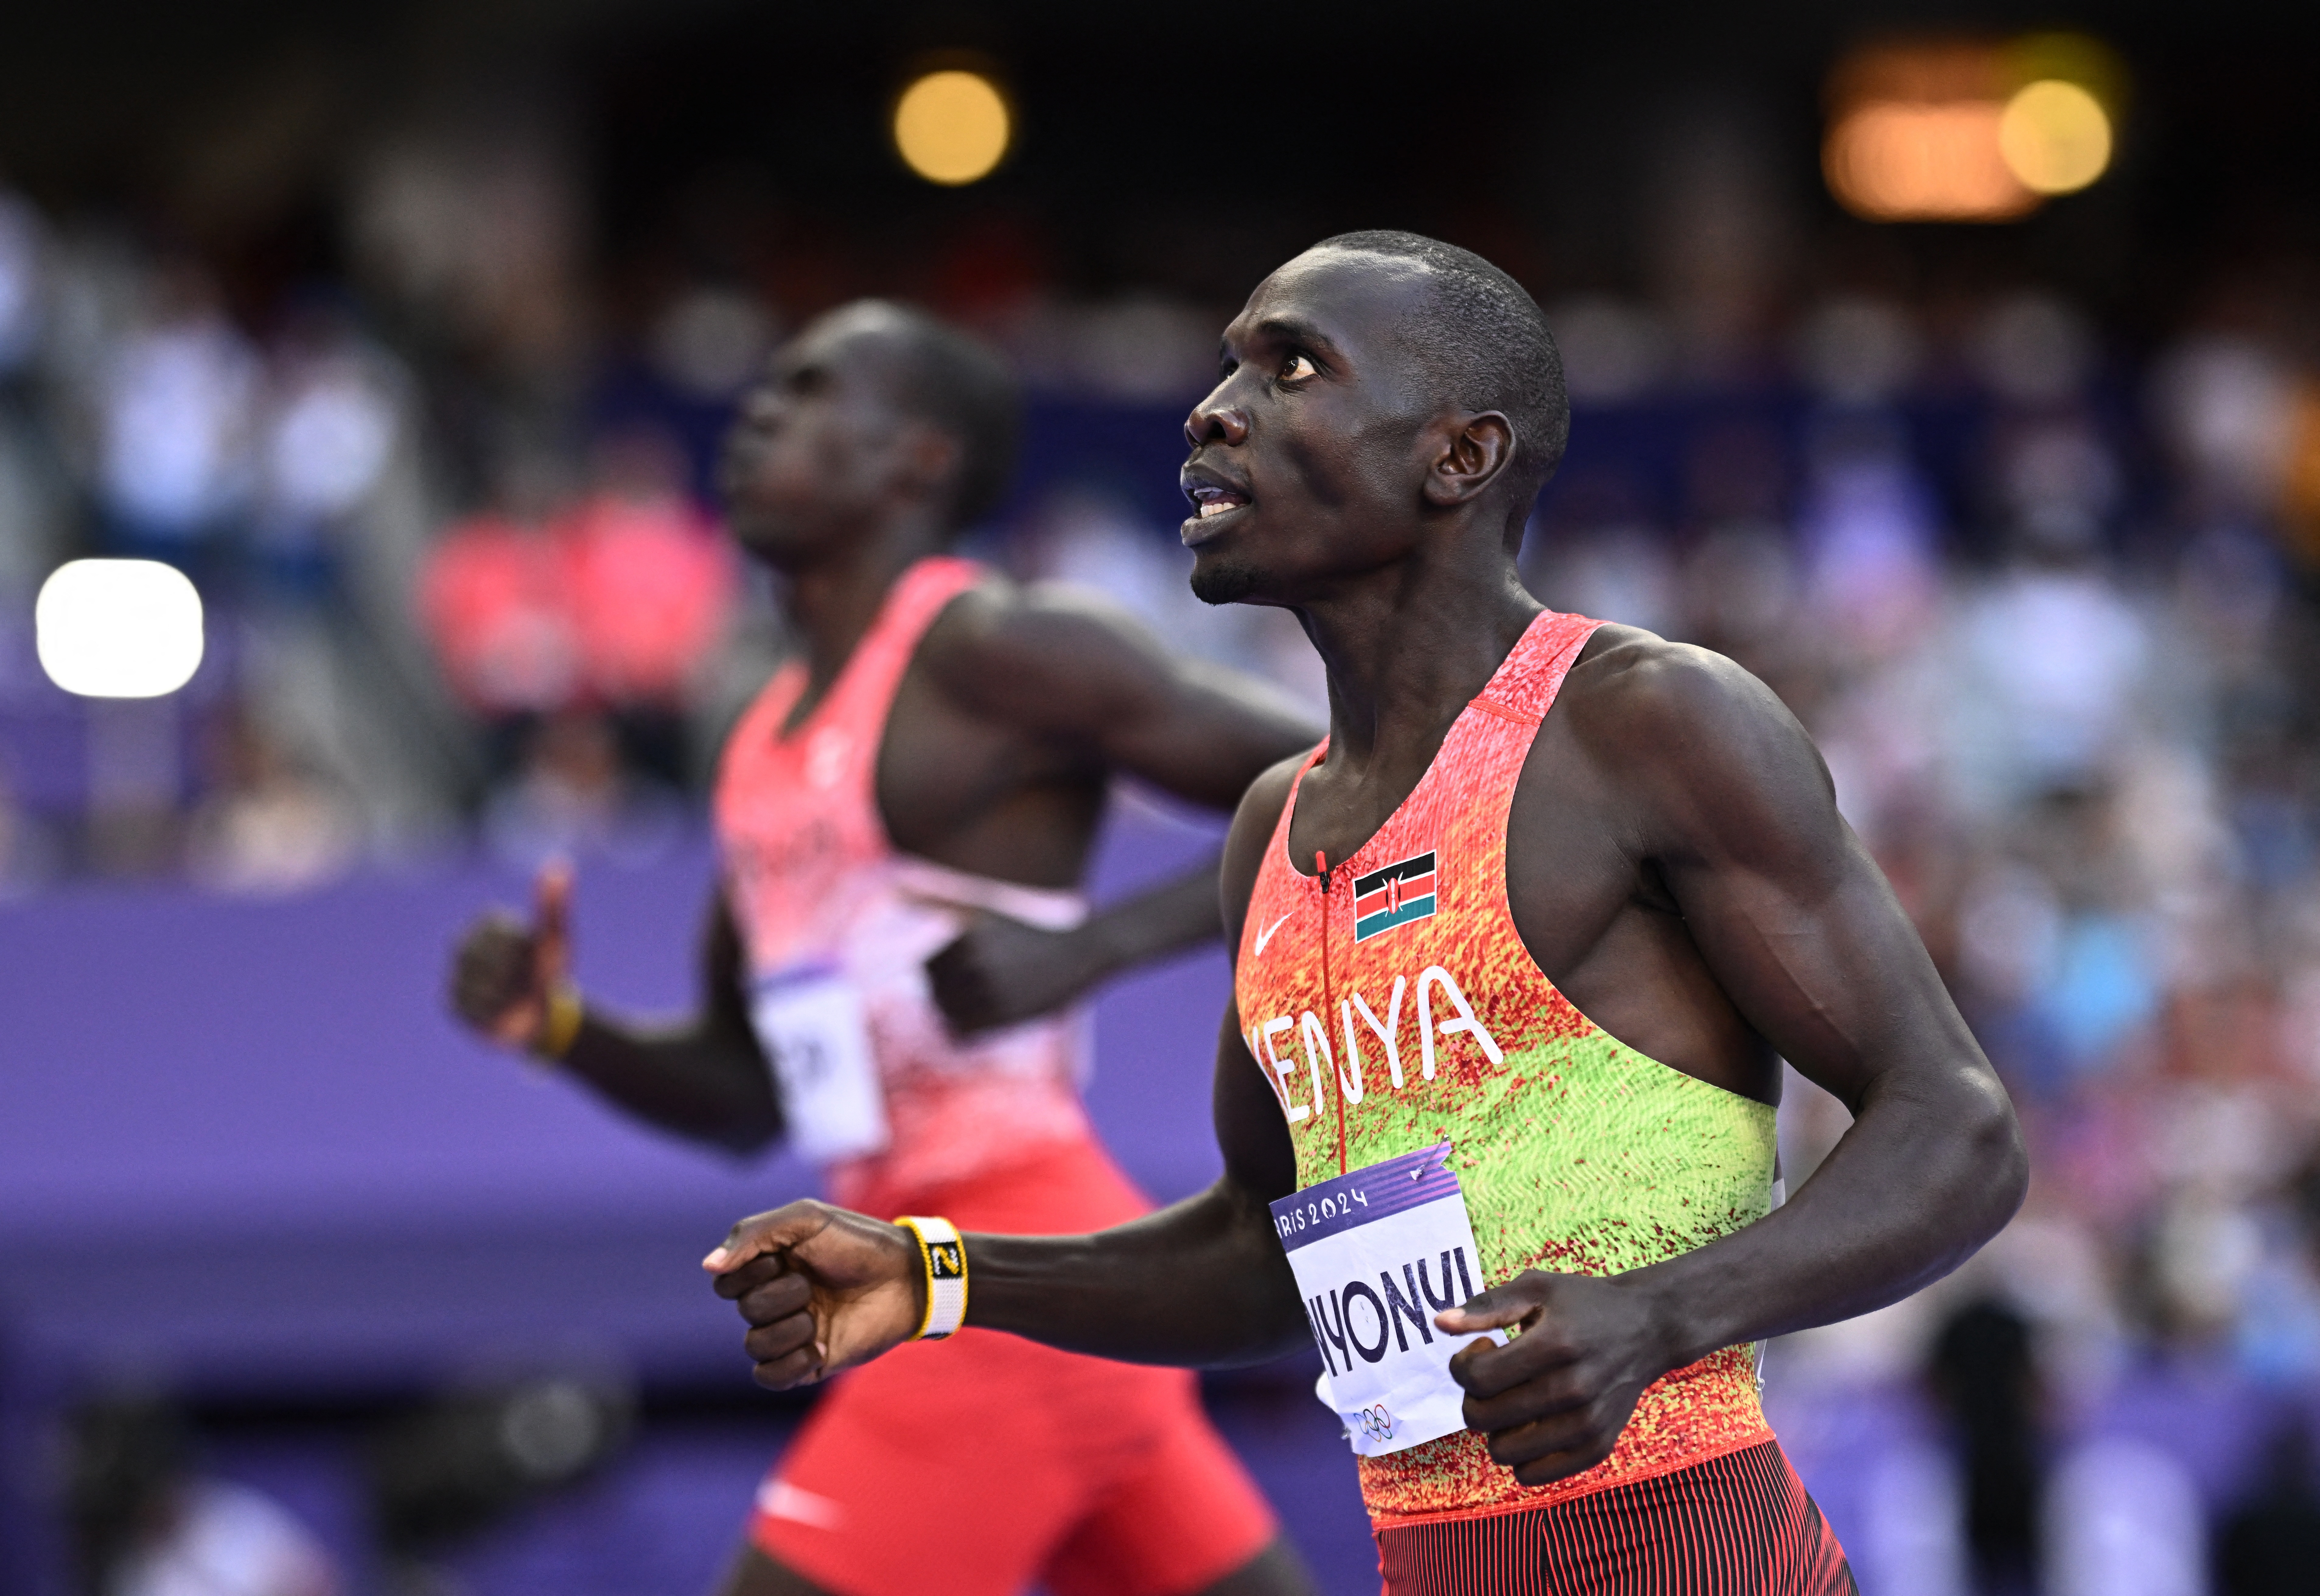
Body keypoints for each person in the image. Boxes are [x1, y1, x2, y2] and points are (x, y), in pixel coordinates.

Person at [705, 234, 2031, 1594]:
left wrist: (1661, 1311)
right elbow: (1254, 1255)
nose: (1213, 408)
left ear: (1456, 457)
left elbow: (1958, 1126)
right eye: (1228, 365)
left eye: (1291, 368)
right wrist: (939, 1275)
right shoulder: (1273, 829)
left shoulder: (1643, 722)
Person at [446, 301, 1322, 1596]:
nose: (754, 415)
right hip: (925, 1257)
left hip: (1013, 1247)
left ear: (916, 457)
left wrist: (1088, 949)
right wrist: (565, 1028)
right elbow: (750, 1094)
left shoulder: (994, 648)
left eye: (805, 392)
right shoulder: (757, 743)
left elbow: (1337, 780)